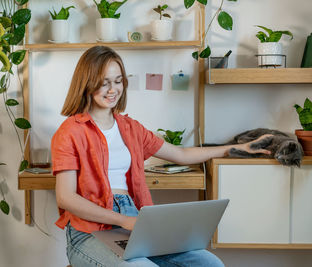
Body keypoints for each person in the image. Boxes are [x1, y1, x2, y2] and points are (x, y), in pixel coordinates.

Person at [51, 46, 271, 267]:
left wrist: (233, 149)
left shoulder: (131, 128)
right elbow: (66, 197)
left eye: (118, 81)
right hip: (88, 231)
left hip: (134, 223)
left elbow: (181, 154)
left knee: (209, 263)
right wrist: (123, 220)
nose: (112, 89)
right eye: (104, 82)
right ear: (87, 82)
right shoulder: (70, 131)